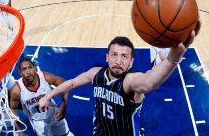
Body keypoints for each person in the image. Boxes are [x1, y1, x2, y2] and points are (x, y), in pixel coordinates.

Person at [39, 21, 200, 136]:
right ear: (107, 57)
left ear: (131, 62)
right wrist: (48, 96)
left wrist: (172, 59)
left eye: (124, 56)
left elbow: (149, 82)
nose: (118, 60)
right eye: (114, 55)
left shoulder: (130, 81)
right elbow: (71, 83)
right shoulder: (96, 73)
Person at [10, 58, 73, 136]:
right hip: (38, 121)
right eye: (24, 69)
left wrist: (64, 105)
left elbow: (65, 84)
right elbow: (12, 108)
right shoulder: (16, 90)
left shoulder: (46, 77)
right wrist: (19, 130)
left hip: (54, 114)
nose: (28, 72)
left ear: (35, 68)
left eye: (30, 67)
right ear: (20, 72)